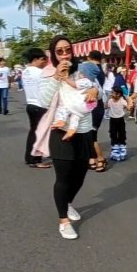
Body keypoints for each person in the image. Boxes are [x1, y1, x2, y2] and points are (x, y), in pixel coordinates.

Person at [36, 35, 98, 240]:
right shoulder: (47, 74)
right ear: (53, 54)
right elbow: (43, 101)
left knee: (80, 175)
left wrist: (94, 90)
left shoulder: (83, 71)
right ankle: (63, 220)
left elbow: (99, 93)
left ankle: (67, 202)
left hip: (84, 130)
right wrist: (57, 77)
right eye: (59, 51)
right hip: (60, 130)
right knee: (63, 176)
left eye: (67, 50)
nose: (64, 54)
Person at [21, 47, 50, 169]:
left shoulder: (25, 72)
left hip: (30, 104)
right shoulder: (40, 73)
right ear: (35, 59)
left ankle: (30, 157)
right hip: (40, 105)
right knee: (40, 133)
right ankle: (36, 159)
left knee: (33, 132)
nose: (44, 62)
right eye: (43, 59)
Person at [79, 50, 107, 172]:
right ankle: (92, 158)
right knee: (89, 134)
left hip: (94, 106)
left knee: (91, 135)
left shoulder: (91, 73)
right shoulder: (100, 71)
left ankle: (100, 159)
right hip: (95, 106)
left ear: (89, 58)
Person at [51, 74, 97, 138]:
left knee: (64, 108)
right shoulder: (92, 83)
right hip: (87, 105)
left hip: (81, 103)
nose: (79, 75)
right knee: (76, 116)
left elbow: (74, 84)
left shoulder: (85, 80)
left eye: (81, 73)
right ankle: (72, 129)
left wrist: (66, 79)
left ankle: (61, 120)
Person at [108, 86, 128, 160]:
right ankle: (115, 148)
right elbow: (105, 106)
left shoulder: (122, 100)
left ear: (118, 94)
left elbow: (128, 106)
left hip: (120, 119)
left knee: (121, 133)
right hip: (112, 119)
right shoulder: (110, 100)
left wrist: (130, 104)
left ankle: (122, 147)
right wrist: (107, 99)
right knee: (112, 133)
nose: (111, 94)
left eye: (113, 93)